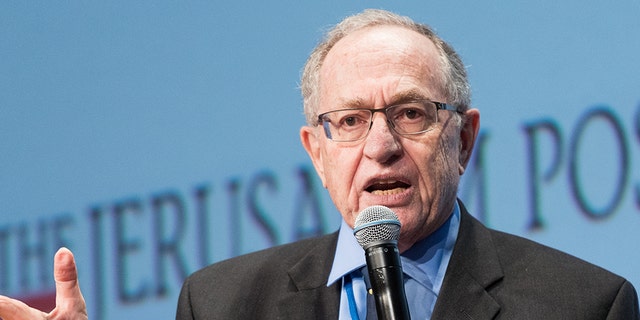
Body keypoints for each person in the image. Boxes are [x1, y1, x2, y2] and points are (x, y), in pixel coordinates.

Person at [1, 8, 638, 320]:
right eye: (351, 121)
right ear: (316, 152)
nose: (380, 144)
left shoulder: (582, 305)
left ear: (464, 139)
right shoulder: (223, 305)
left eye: (412, 114)